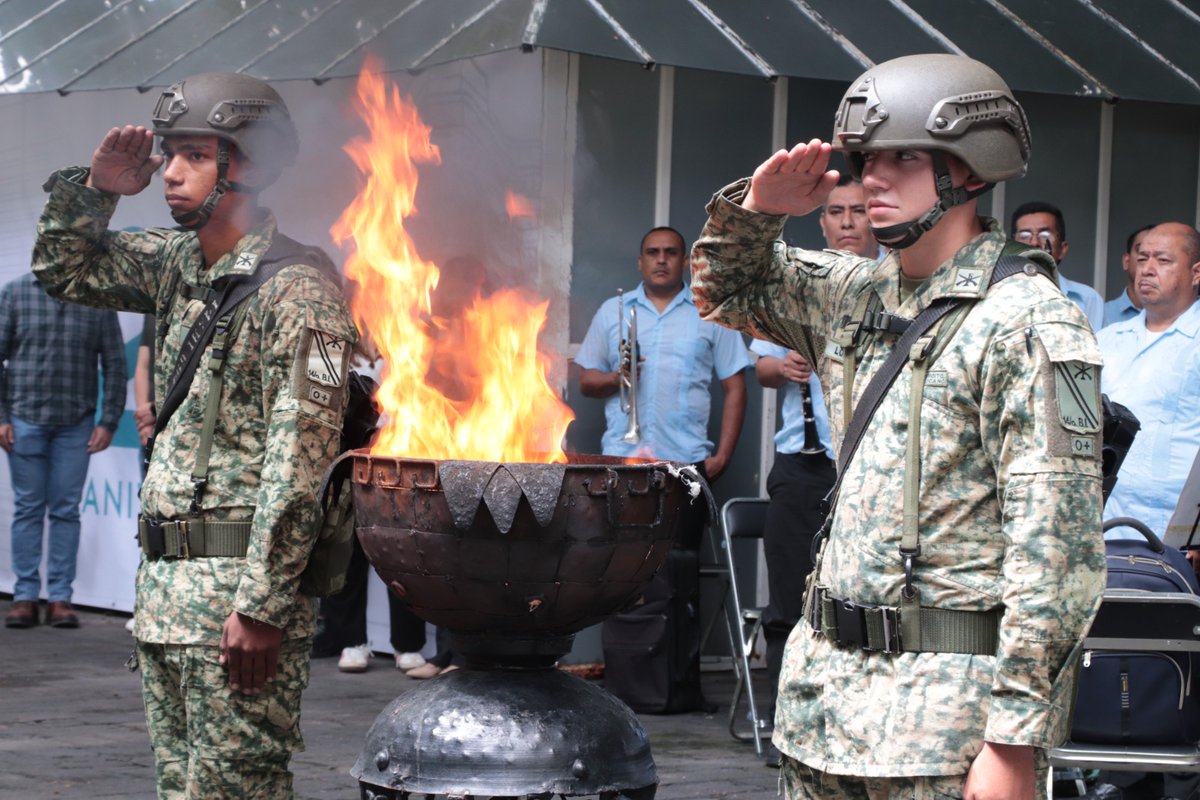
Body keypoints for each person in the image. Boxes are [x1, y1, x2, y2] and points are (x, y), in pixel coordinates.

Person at [690, 53, 1106, 798]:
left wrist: (1013, 741)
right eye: (867, 158)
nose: (871, 178)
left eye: (903, 157)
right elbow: (725, 289)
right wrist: (759, 209)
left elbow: (1057, 554)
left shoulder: (1029, 324)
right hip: (823, 710)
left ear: (970, 170)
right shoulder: (852, 293)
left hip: (942, 729)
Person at [31, 72, 357, 797]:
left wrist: (264, 606)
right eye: (170, 154)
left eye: (195, 155)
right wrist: (98, 188)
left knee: (237, 788)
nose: (171, 173)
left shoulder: (301, 293)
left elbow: (301, 462)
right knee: (182, 789)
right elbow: (63, 269)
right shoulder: (179, 263)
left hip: (238, 605)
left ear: (250, 165)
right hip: (169, 600)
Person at [751, 175, 875, 768]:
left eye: (857, 211)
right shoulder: (796, 286)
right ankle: (783, 720)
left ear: (873, 218)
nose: (847, 222)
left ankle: (853, 720)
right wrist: (784, 361)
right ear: (820, 223)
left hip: (870, 470)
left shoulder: (892, 288)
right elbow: (763, 370)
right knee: (788, 599)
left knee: (862, 598)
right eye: (836, 213)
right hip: (804, 468)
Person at [575, 225, 751, 548]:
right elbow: (586, 380)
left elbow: (736, 386)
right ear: (640, 262)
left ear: (685, 262)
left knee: (680, 569)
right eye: (653, 253)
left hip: (684, 463)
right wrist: (619, 378)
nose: (661, 260)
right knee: (616, 563)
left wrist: (723, 456)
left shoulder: (710, 313)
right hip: (621, 462)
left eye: (670, 253)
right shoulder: (613, 312)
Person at [0, 275, 126, 629]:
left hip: (76, 424)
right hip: (24, 420)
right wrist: (1, 417)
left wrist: (109, 421)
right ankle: (24, 597)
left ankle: (60, 599)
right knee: (27, 508)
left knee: (66, 511)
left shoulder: (97, 295)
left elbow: (115, 363)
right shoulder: (14, 293)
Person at [1099, 222, 1200, 540]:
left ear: (1196, 273)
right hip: (1105, 525)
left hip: (1177, 532)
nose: (1148, 269)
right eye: (1142, 259)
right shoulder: (1106, 340)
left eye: (1163, 260)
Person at [1010, 200, 1105, 329]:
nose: (1034, 242)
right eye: (1025, 235)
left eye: (1045, 235)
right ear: (1010, 248)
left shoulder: (1088, 300)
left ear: (1062, 249)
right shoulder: (997, 295)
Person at [1103, 224, 1155, 328]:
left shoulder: (1184, 316)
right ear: (1126, 261)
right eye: (1142, 252)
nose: (1151, 263)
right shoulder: (1103, 314)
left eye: (1162, 257)